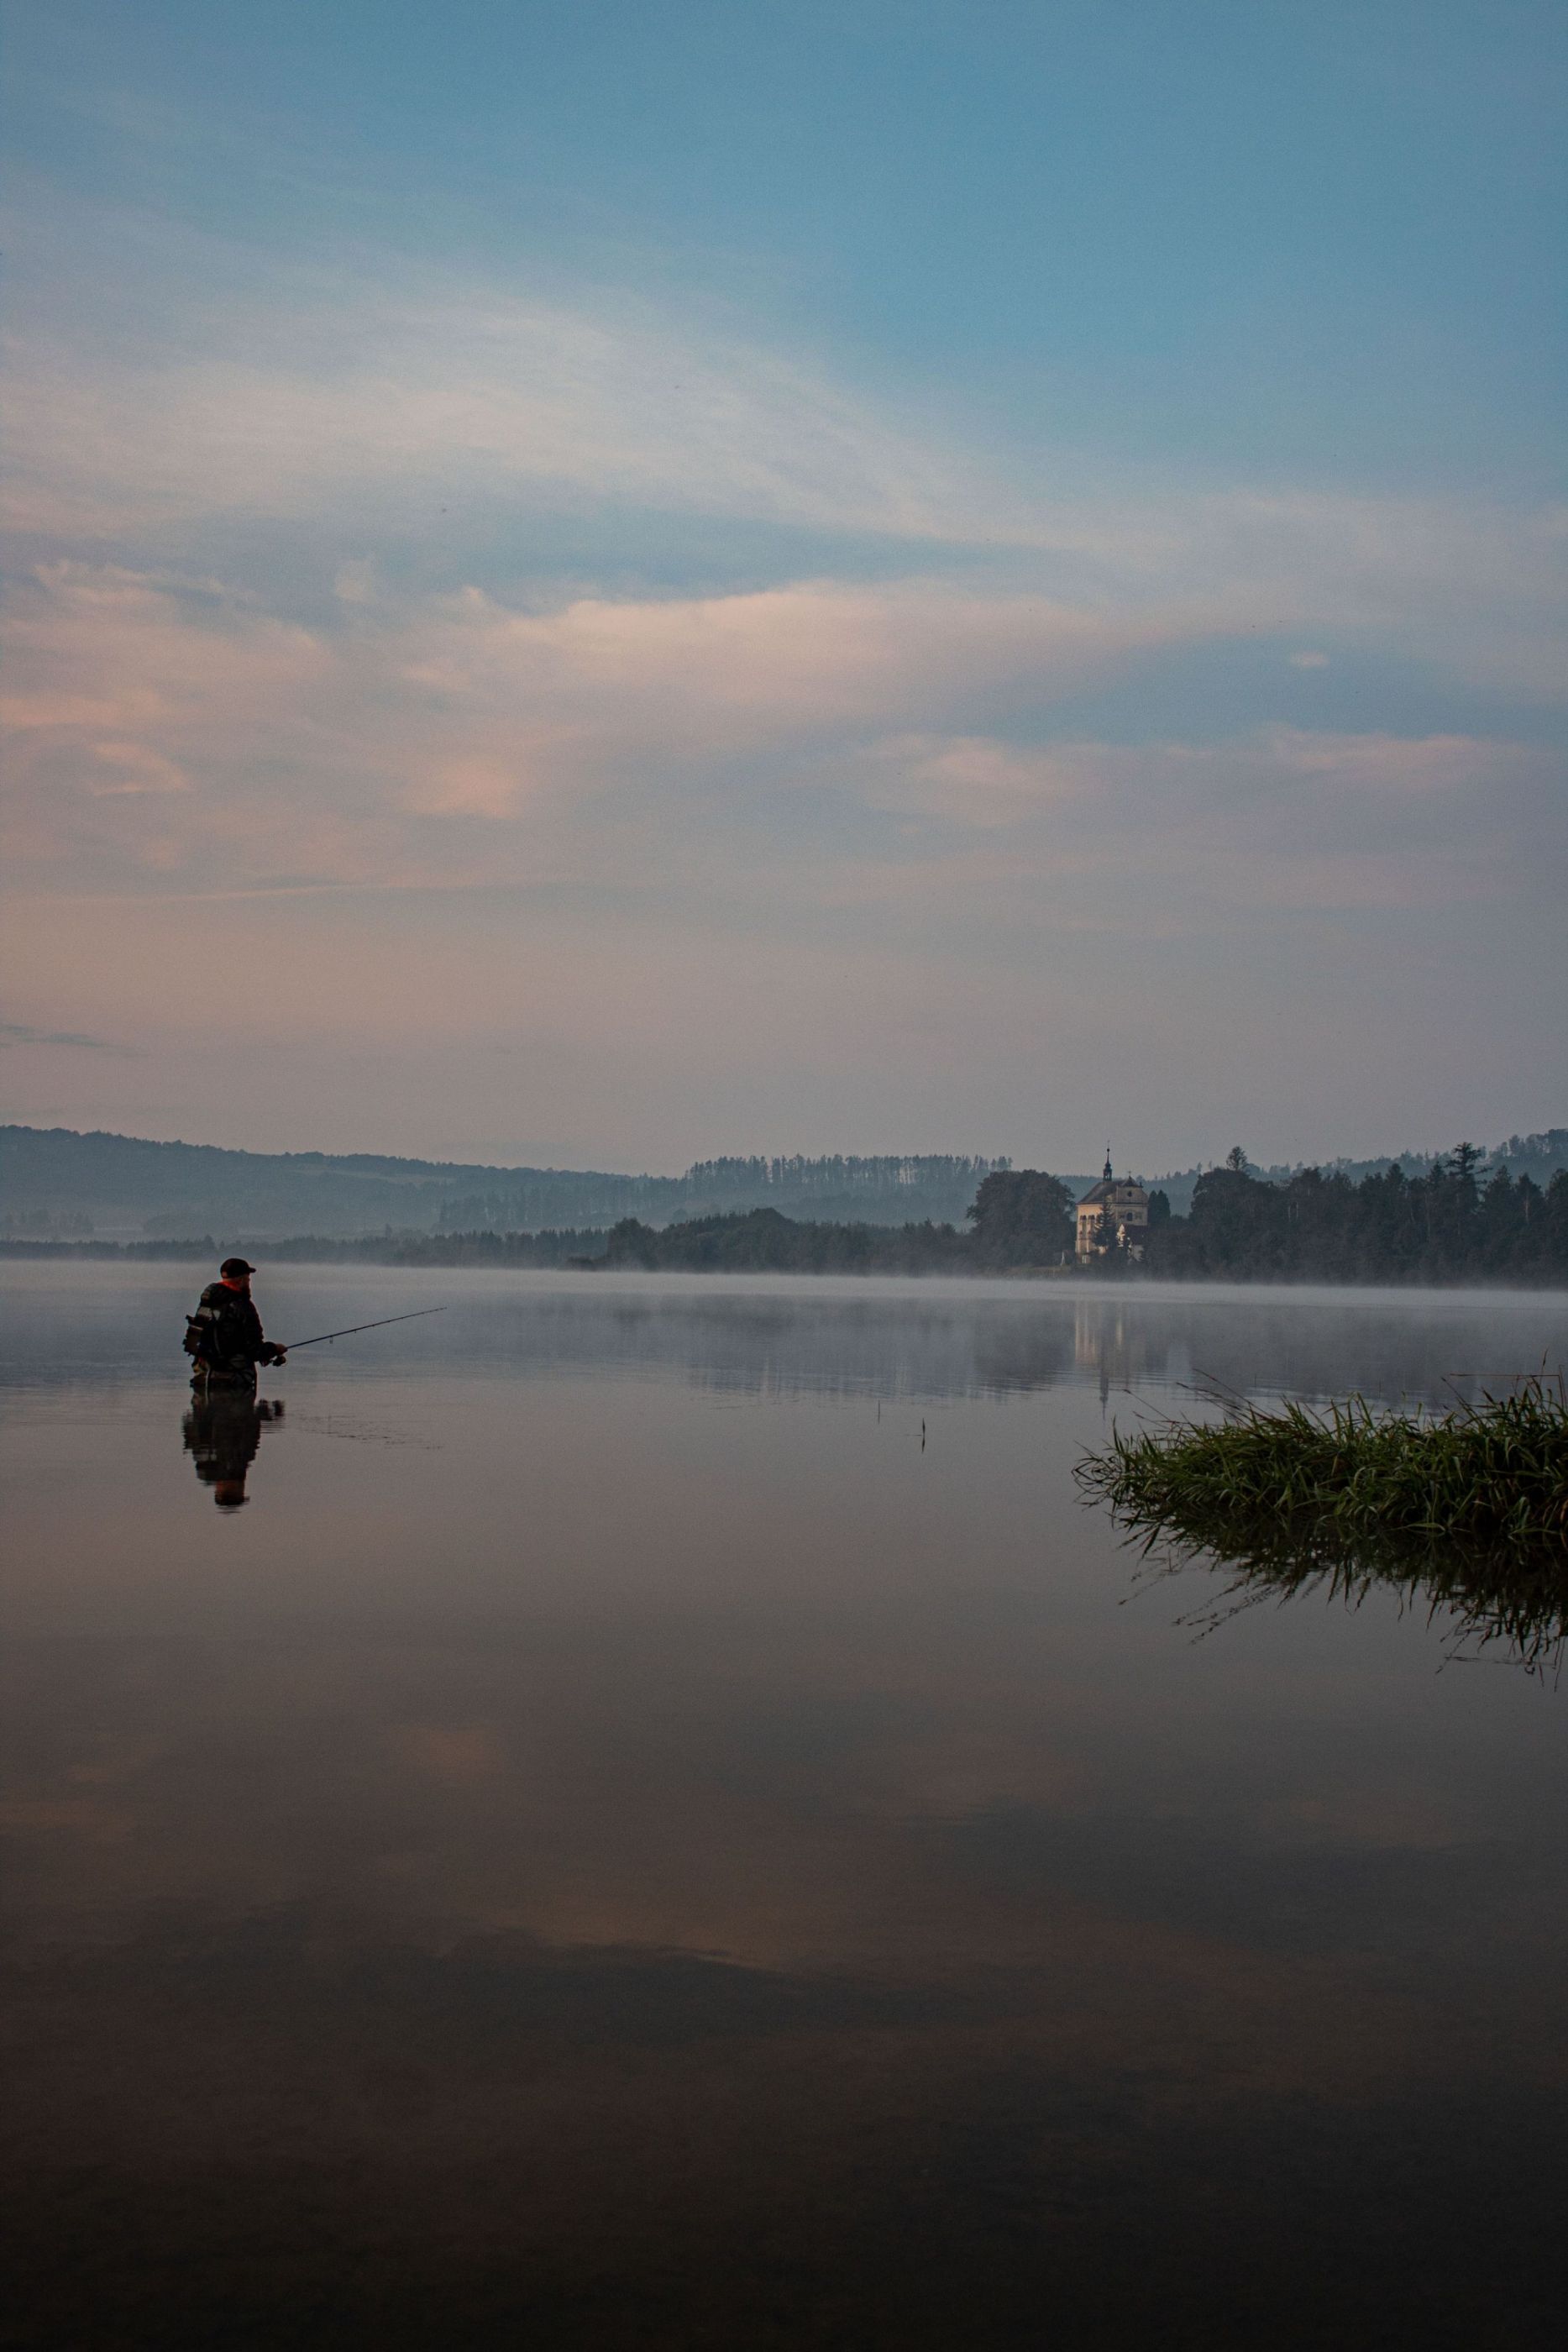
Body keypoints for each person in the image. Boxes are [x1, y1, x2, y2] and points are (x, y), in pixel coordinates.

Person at [184, 1257, 287, 1394]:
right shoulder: (243, 1307)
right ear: (241, 1280)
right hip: (234, 1382)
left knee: (204, 1413)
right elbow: (255, 1350)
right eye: (248, 1279)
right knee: (240, 1415)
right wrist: (275, 1348)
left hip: (203, 1379)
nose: (249, 1282)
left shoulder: (207, 1302)